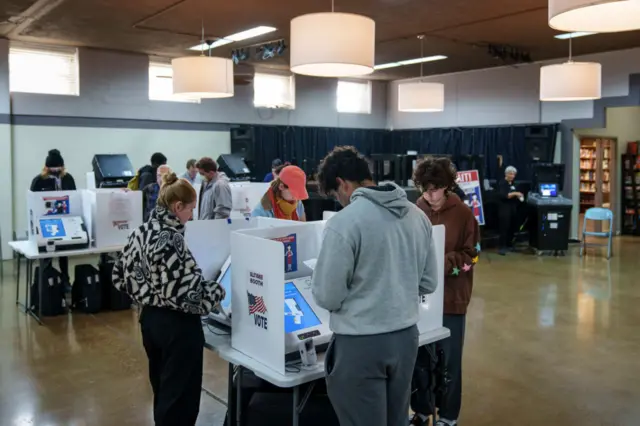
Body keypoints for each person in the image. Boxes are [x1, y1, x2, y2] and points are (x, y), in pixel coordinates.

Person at [311, 146, 438, 426]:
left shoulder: (344, 223)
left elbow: (328, 295)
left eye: (335, 194)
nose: (340, 201)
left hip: (360, 343)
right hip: (406, 339)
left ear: (343, 184)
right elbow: (429, 282)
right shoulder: (418, 216)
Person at [112, 173, 225, 426]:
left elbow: (118, 276)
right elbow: (181, 295)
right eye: (190, 210)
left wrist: (147, 290)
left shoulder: (140, 232)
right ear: (177, 207)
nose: (191, 216)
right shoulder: (172, 238)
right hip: (178, 328)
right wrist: (217, 291)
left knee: (163, 393)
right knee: (180, 402)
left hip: (149, 321)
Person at [412, 157, 480, 426]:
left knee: (449, 361)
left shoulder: (463, 213)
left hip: (452, 297)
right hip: (421, 299)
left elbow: (472, 255)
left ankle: (449, 416)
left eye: (436, 188)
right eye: (425, 188)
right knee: (420, 359)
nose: (430, 194)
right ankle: (422, 410)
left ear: (447, 186)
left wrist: (443, 261)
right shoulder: (416, 209)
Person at [30, 149, 77, 285]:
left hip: (65, 219)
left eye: (58, 168)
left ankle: (65, 279)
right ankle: (46, 280)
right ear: (46, 168)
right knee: (47, 253)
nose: (55, 172)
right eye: (52, 169)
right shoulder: (39, 181)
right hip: (45, 222)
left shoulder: (68, 179)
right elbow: (33, 202)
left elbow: (74, 197)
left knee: (64, 252)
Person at [497, 165, 524, 255]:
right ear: (506, 174)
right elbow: (505, 195)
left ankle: (509, 244)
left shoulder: (513, 184)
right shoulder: (502, 183)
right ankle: (502, 247)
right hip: (504, 210)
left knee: (511, 228)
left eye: (514, 174)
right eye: (511, 174)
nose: (512, 176)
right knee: (504, 228)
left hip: (512, 209)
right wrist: (516, 193)